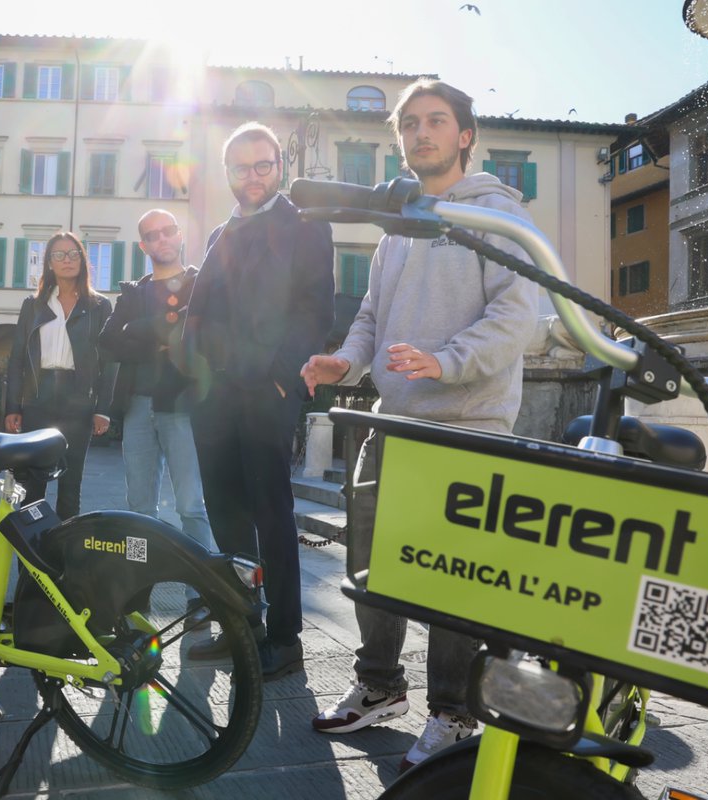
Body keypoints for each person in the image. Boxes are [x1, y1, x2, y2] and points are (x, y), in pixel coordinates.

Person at [302, 79, 539, 770]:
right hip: (393, 422)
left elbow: (515, 318)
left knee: (452, 579)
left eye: (435, 121)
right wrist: (345, 362)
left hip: (470, 426)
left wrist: (445, 361)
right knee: (372, 567)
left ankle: (453, 713)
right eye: (409, 123)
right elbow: (372, 318)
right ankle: (379, 687)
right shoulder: (398, 226)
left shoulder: (499, 215)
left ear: (465, 136)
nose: (420, 133)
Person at [182, 122, 335, 680]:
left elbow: (315, 310)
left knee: (271, 514)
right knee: (225, 513)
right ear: (227, 172)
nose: (253, 176)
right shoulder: (220, 233)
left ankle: (286, 638)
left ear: (279, 167)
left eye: (263, 165)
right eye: (242, 167)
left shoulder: (306, 226)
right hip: (214, 395)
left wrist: (279, 380)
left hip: (266, 391)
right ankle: (242, 628)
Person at [99, 209, 215, 618]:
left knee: (192, 506)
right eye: (152, 235)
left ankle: (201, 595)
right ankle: (137, 590)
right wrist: (158, 337)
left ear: (179, 235)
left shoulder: (200, 285)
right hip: (137, 407)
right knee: (139, 510)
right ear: (143, 245)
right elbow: (109, 340)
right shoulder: (133, 292)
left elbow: (201, 336)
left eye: (167, 231)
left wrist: (139, 331)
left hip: (181, 407)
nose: (161, 239)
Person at [4, 232, 114, 520]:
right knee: (33, 483)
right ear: (49, 263)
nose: (67, 260)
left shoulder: (99, 306)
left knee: (70, 483)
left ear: (83, 261)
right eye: (59, 254)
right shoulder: (33, 305)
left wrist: (103, 409)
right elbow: (17, 359)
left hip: (78, 399)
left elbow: (109, 363)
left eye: (73, 254)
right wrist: (13, 406)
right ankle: (33, 548)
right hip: (38, 397)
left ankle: (65, 547)